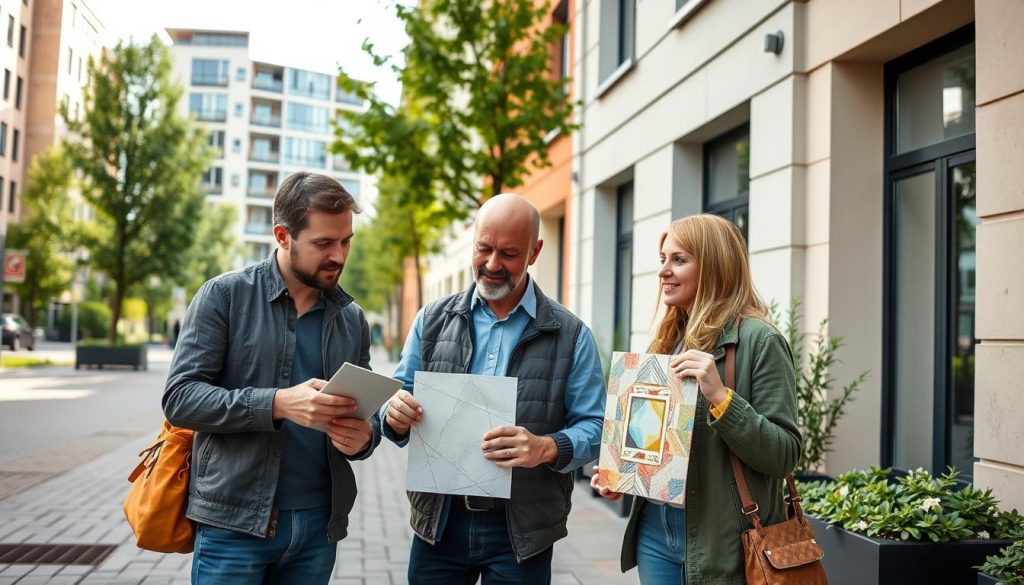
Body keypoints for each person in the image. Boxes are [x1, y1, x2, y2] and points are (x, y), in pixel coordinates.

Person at [375, 193, 606, 585]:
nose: (493, 264)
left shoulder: (571, 335)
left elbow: (596, 426)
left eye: (509, 253)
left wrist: (546, 448)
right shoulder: (432, 320)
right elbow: (396, 395)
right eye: (484, 248)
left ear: (535, 252)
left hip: (521, 530)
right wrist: (392, 414)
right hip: (440, 522)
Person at [163, 172, 380, 584]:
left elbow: (366, 414)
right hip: (234, 524)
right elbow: (180, 398)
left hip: (319, 526)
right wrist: (278, 403)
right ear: (283, 235)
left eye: (346, 240)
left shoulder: (352, 320)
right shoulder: (223, 296)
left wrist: (365, 438)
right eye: (323, 243)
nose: (339, 255)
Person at [591, 213, 800, 585]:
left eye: (679, 259)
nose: (663, 272)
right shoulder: (669, 338)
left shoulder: (760, 340)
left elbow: (784, 454)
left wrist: (721, 397)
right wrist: (623, 474)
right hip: (656, 532)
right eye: (662, 259)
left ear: (715, 265)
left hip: (726, 543)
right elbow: (659, 440)